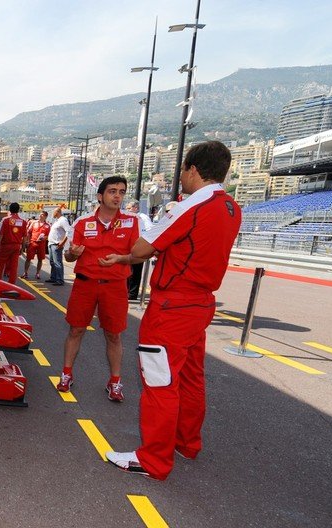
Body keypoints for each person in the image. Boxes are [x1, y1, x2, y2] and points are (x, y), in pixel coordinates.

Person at [101, 141, 241, 480]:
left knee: (159, 381)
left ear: (193, 170)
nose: (180, 177)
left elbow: (141, 246)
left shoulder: (190, 207)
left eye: (182, 171)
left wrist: (162, 221)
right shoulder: (231, 206)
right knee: (191, 377)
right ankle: (186, 442)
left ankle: (154, 459)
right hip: (201, 302)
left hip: (173, 305)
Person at [57, 177, 138, 402]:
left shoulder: (131, 222)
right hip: (85, 284)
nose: (118, 196)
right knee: (76, 330)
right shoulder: (82, 223)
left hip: (115, 287)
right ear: (100, 196)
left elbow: (139, 254)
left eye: (121, 192)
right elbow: (68, 255)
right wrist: (73, 253)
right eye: (112, 191)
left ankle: (115, 382)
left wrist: (120, 258)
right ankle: (66, 374)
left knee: (114, 335)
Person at [0, 202, 27, 284]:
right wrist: (23, 248)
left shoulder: (5, 220)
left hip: (6, 246)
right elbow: (25, 237)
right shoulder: (23, 222)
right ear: (18, 210)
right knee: (14, 266)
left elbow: (0, 234)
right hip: (17, 246)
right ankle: (12, 284)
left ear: (9, 210)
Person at [125, 201, 154, 300]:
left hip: (138, 247)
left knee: (135, 271)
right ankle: (127, 291)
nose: (127, 210)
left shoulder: (142, 217)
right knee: (127, 271)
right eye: (127, 208)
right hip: (128, 248)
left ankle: (132, 293)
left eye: (129, 208)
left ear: (136, 208)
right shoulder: (127, 218)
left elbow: (150, 230)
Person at [47, 206, 71, 286]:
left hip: (56, 244)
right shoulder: (57, 221)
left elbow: (68, 231)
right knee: (52, 262)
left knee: (57, 262)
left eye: (54, 212)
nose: (52, 214)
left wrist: (62, 242)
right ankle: (53, 277)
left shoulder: (63, 220)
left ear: (57, 212)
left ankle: (60, 280)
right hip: (51, 243)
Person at [23, 211, 50, 280]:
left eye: (42, 215)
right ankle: (25, 273)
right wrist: (27, 241)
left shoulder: (48, 225)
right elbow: (28, 232)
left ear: (45, 216)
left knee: (40, 259)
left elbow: (48, 236)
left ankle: (37, 273)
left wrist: (45, 238)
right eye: (40, 214)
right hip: (32, 242)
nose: (40, 216)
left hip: (41, 244)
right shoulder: (33, 223)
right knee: (28, 258)